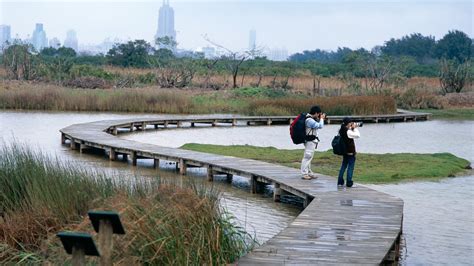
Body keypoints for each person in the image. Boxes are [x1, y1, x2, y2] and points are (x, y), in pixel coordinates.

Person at [301, 105, 326, 180]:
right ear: (315, 113)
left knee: (309, 157)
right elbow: (320, 126)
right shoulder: (309, 120)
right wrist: (321, 119)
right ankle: (304, 173)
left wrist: (319, 118)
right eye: (318, 114)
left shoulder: (310, 118)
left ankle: (309, 172)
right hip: (310, 141)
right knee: (307, 156)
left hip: (311, 140)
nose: (319, 115)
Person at [337, 117, 361, 188]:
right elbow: (358, 135)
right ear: (348, 124)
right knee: (350, 167)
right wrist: (355, 128)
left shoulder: (341, 130)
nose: (351, 124)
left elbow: (348, 132)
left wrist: (352, 128)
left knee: (343, 166)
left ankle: (340, 182)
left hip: (345, 152)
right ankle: (349, 183)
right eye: (351, 123)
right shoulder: (348, 132)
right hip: (350, 152)